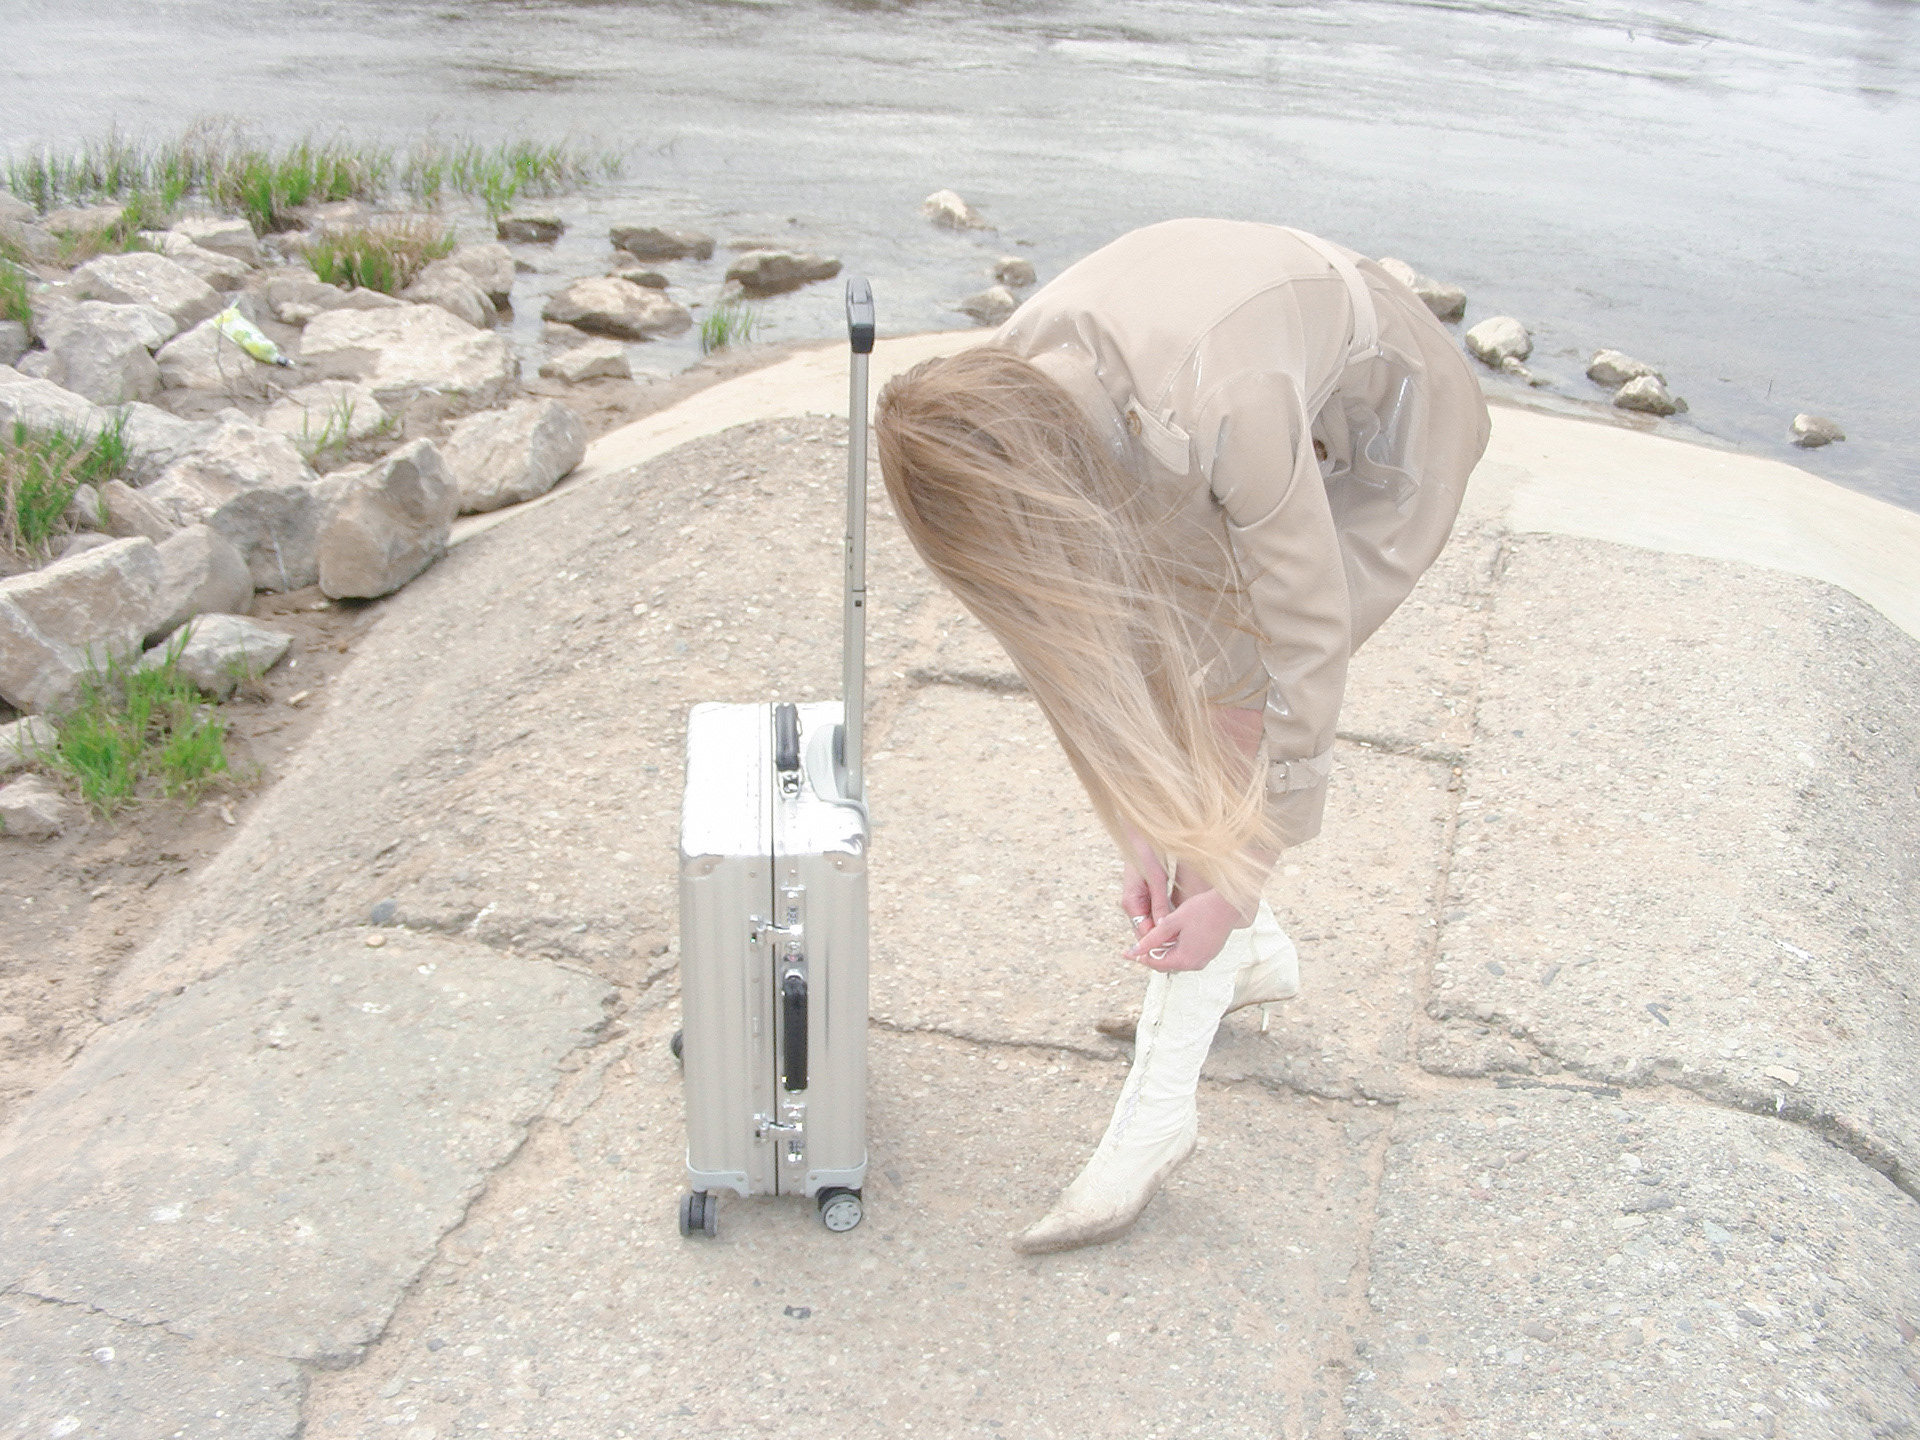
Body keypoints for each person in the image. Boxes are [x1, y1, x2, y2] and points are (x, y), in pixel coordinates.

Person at [874, 219, 1490, 1253]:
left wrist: (1235, 877)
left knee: (1235, 704)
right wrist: (1136, 828)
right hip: (1201, 407)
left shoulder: (1225, 405)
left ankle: (1160, 1112)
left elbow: (1303, 647)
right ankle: (1251, 961)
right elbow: (1071, 640)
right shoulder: (1001, 393)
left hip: (1385, 422)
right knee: (1173, 677)